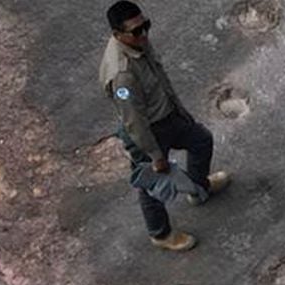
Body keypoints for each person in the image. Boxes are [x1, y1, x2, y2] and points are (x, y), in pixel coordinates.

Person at [99, 0, 231, 251]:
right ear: (118, 35)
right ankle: (160, 234)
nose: (144, 33)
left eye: (145, 25)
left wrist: (179, 110)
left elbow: (159, 79)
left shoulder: (137, 44)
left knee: (201, 140)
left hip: (167, 116)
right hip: (148, 132)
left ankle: (198, 187)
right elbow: (134, 121)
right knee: (152, 186)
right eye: (136, 31)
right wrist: (155, 156)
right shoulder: (122, 74)